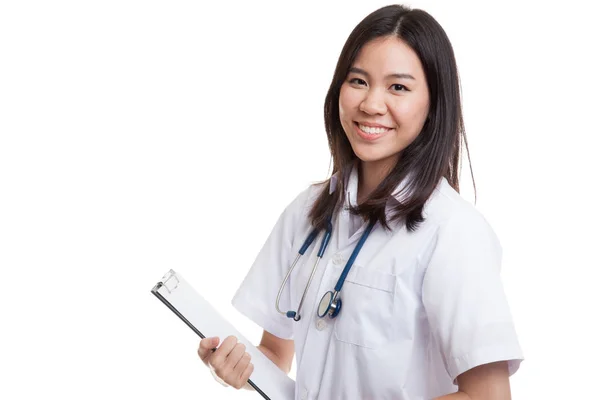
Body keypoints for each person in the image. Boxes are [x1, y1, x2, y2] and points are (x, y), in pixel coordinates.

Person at [197, 4, 523, 399]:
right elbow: (276, 351)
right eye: (358, 81)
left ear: (434, 105)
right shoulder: (308, 211)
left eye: (398, 87)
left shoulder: (454, 231)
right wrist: (234, 366)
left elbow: (488, 395)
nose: (370, 104)